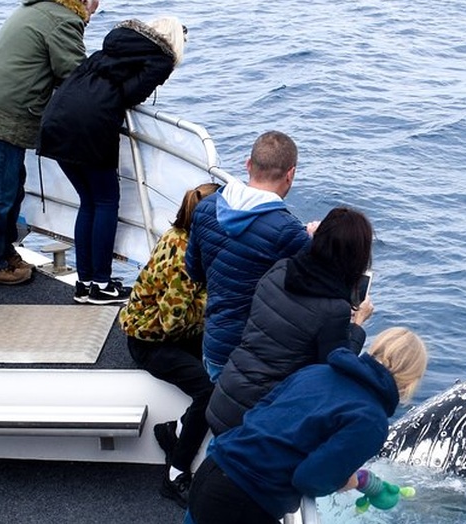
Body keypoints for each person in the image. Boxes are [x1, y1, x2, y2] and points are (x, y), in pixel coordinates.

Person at [186, 327, 429, 524]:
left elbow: (260, 410)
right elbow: (310, 479)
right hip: (242, 501)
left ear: (375, 348)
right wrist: (348, 481)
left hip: (213, 468)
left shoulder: (317, 371)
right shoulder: (372, 421)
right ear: (411, 382)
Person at [38, 16, 186, 304]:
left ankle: (84, 283)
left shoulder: (116, 44)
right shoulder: (160, 60)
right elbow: (131, 94)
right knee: (105, 202)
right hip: (90, 128)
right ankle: (102, 285)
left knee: (88, 202)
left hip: (56, 121)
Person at [206, 206, 376, 435]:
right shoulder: (335, 310)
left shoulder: (281, 269)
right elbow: (334, 372)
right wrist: (357, 326)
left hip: (226, 395)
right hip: (258, 418)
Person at [0, 0, 100, 285]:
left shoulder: (36, 8)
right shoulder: (64, 20)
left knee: (9, 188)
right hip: (6, 115)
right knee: (0, 194)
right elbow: (75, 74)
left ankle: (2, 251)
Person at [184, 130, 317, 381]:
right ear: (291, 174)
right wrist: (315, 241)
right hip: (258, 356)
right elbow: (317, 287)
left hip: (214, 347)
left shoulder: (206, 207)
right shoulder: (287, 231)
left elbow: (194, 271)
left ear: (248, 165)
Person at [117, 182, 219, 507]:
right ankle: (175, 474)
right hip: (151, 342)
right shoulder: (188, 261)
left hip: (157, 331)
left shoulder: (180, 235)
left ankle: (173, 428)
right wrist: (211, 305)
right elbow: (172, 322)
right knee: (208, 391)